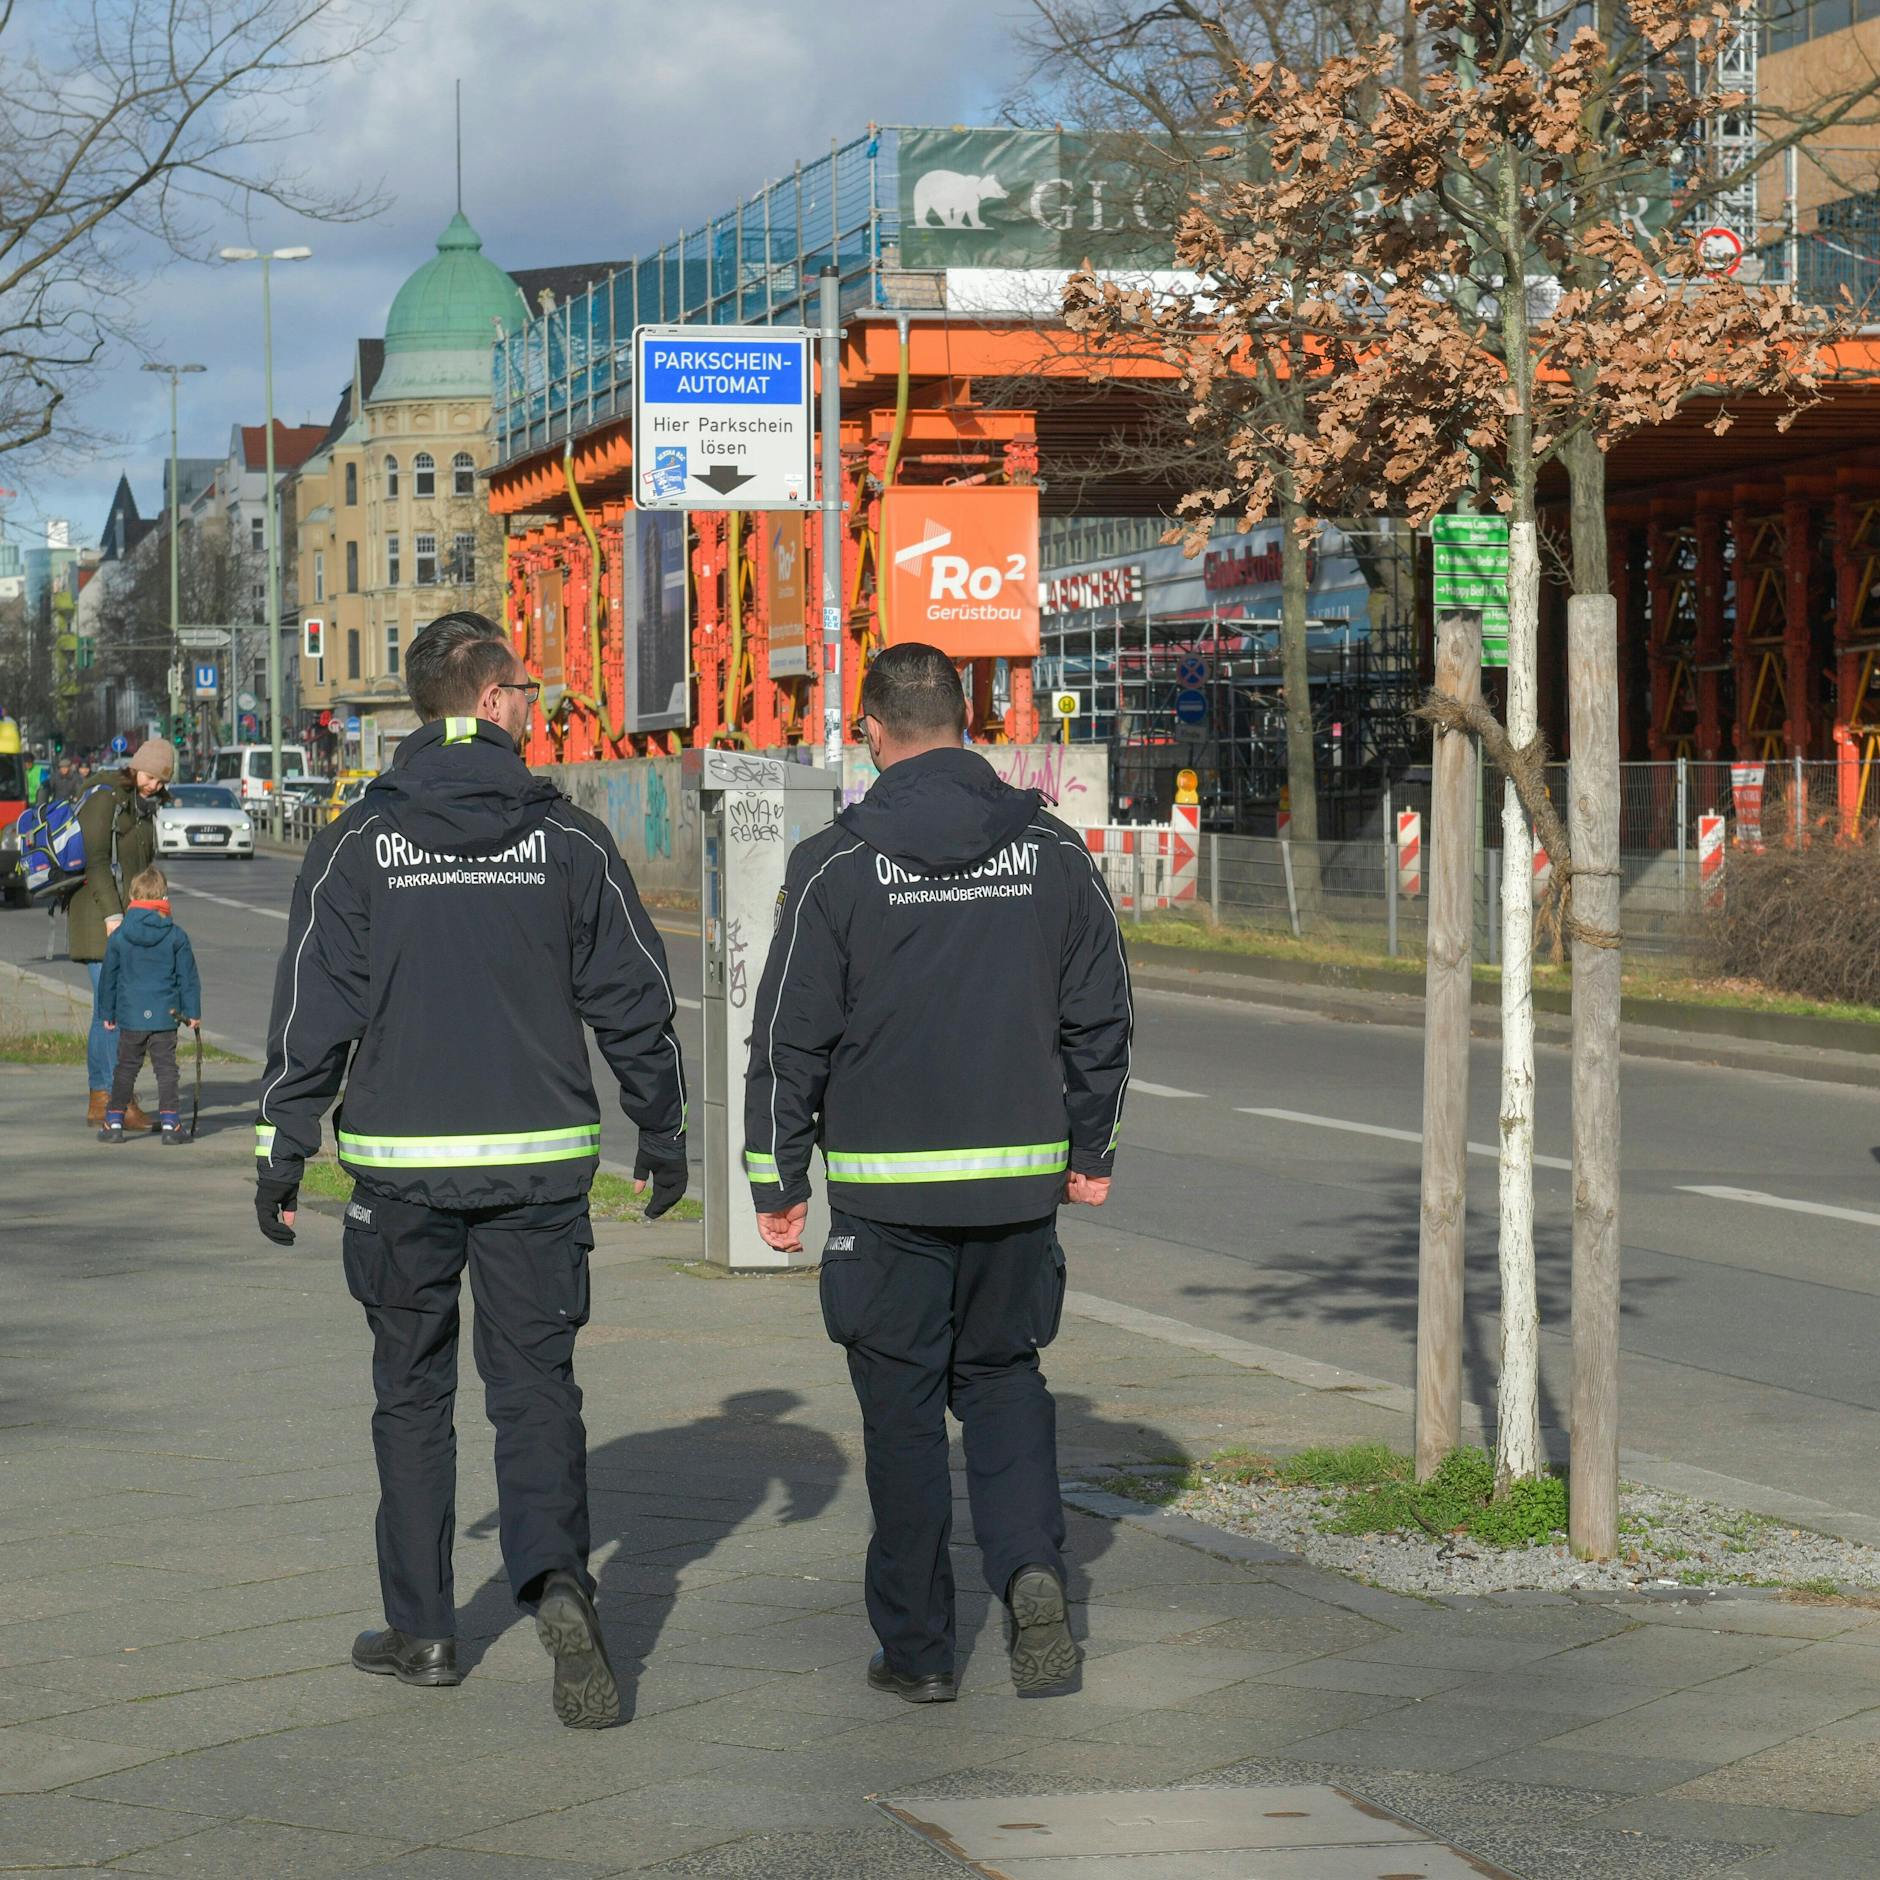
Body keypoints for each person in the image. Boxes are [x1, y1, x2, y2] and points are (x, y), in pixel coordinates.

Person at [253, 609, 689, 1729]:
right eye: (526, 689)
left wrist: (281, 1146)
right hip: (541, 1168)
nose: (536, 708)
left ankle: (426, 1630)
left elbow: (314, 1004)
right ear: (489, 701)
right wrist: (663, 1127)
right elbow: (635, 997)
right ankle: (556, 1581)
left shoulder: (359, 838)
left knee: (410, 1395)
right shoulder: (571, 838)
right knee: (536, 1389)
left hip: (400, 1170)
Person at [744, 641, 1133, 1704]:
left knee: (903, 1414)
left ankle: (918, 1648)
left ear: (872, 731)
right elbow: (1103, 1014)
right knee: (1005, 1383)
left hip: (884, 1203)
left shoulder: (833, 863)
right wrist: (1089, 1148)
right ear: (967, 722)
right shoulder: (1051, 851)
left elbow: (786, 1040)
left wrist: (774, 1183)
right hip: (1015, 1193)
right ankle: (1031, 1569)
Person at [70, 738, 174, 1130]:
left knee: (107, 1009)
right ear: (136, 768)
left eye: (161, 782)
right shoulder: (106, 798)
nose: (154, 786)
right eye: (150, 777)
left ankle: (103, 1099)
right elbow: (96, 862)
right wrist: (114, 917)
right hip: (98, 917)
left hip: (129, 919)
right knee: (114, 1009)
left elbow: (140, 866)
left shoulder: (140, 805)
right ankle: (116, 1098)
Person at [96, 865, 201, 1145]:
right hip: (165, 1015)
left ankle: (114, 1121)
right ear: (163, 899)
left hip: (130, 1014)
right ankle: (171, 1124)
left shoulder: (119, 936)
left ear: (132, 898)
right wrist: (192, 1013)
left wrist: (107, 1012)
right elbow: (187, 977)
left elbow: (109, 978)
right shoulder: (176, 936)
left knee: (126, 1068)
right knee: (166, 1069)